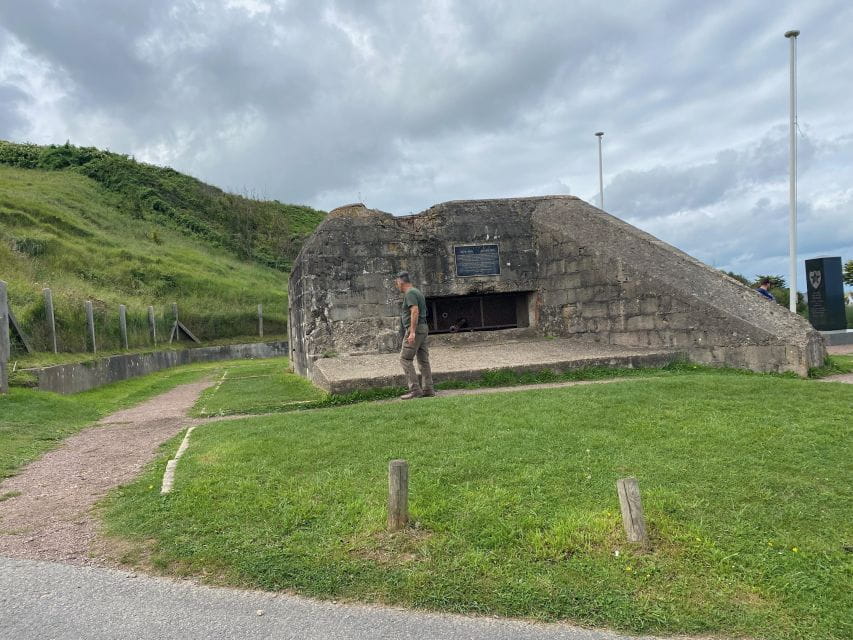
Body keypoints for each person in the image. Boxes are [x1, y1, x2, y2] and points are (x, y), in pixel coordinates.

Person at [395, 271, 434, 399]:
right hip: (423, 328)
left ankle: (415, 389)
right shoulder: (417, 291)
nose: (397, 286)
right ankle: (428, 389)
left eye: (397, 283)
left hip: (416, 330)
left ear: (400, 282)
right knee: (423, 360)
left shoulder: (410, 293)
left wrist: (412, 332)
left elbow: (415, 311)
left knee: (405, 359)